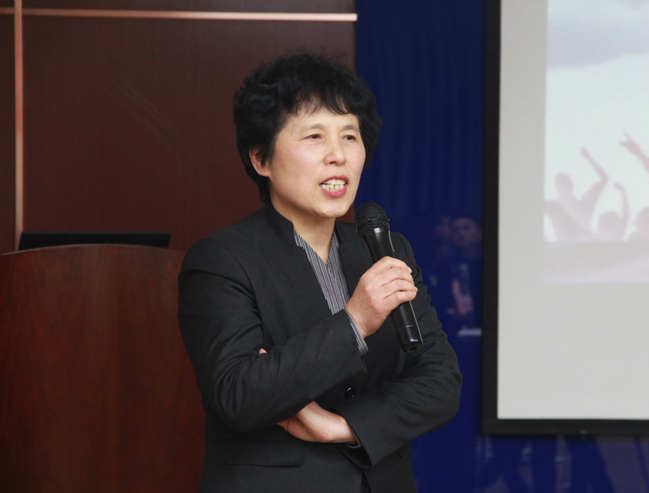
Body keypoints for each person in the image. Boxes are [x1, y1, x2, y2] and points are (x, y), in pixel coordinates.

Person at [177, 53, 462, 493]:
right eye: (314, 136)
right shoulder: (221, 260)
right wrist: (355, 322)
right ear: (261, 159)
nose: (338, 156)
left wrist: (341, 427)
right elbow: (237, 394)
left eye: (350, 136)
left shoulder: (385, 250)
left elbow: (440, 383)